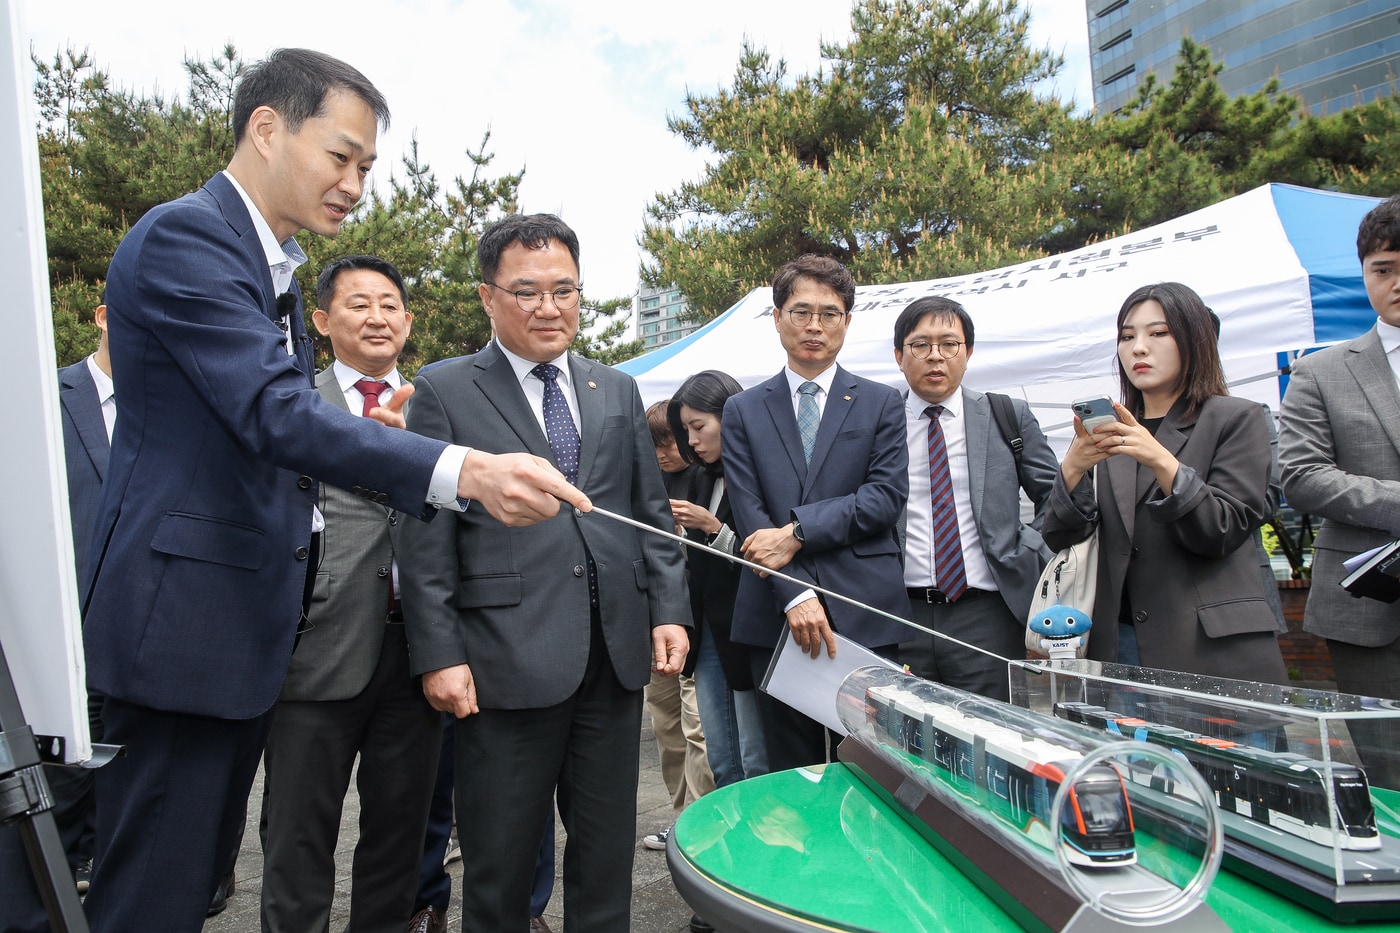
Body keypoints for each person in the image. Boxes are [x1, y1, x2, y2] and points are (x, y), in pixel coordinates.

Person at [80, 50, 583, 932]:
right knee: (155, 891)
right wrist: (459, 467)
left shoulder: (267, 259)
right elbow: (274, 413)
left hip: (237, 634)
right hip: (184, 631)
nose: (355, 184)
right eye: (341, 157)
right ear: (267, 127)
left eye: (368, 168)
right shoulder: (188, 237)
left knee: (191, 882)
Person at [396, 213, 689, 932]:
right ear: (488, 297)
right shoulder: (445, 388)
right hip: (503, 662)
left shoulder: (614, 389)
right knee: (498, 863)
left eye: (565, 290)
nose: (549, 307)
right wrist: (439, 653)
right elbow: (424, 531)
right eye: (527, 292)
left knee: (607, 857)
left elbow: (648, 513)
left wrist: (669, 607)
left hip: (612, 659)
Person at [257, 256, 441, 932]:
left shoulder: (438, 410)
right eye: (359, 303)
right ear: (321, 318)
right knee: (298, 836)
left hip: (418, 650)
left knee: (399, 836)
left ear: (408, 320)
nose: (376, 316)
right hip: (317, 648)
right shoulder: (293, 405)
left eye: (390, 304)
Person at [1042, 282, 1288, 683]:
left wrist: (1160, 459)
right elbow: (1060, 538)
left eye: (1158, 333)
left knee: (1220, 747)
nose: (1138, 348)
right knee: (1127, 749)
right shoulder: (1110, 430)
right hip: (1117, 642)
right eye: (1127, 336)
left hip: (1211, 647)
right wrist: (1071, 470)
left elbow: (1222, 530)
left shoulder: (1236, 418)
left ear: (1194, 339)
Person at [721, 255, 909, 772]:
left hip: (866, 609)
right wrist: (797, 593)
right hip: (775, 610)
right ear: (778, 316)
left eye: (829, 313)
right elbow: (748, 509)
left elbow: (885, 497)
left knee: (874, 769)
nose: (814, 326)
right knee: (792, 778)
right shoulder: (743, 409)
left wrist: (800, 531)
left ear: (847, 321)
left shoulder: (881, 402)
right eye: (801, 311)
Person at [1280, 193, 1400, 786]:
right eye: (1384, 269)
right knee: (1389, 778)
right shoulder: (1322, 370)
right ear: (1365, 275)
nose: (1397, 282)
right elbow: (1300, 475)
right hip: (1368, 606)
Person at [0, 304, 111, 930]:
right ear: (103, 314)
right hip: (56, 659)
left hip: (143, 657)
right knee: (43, 822)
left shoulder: (189, 408)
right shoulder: (41, 398)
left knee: (125, 832)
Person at [891, 297, 1059, 702]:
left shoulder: (1006, 415)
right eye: (920, 345)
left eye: (949, 344)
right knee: (901, 747)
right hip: (900, 615)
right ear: (899, 356)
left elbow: (1055, 498)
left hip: (988, 614)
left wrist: (1027, 547)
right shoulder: (879, 423)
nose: (936, 356)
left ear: (967, 352)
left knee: (990, 743)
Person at [667, 372, 768, 787]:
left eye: (698, 427)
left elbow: (768, 558)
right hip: (707, 627)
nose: (691, 440)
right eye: (685, 429)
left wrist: (713, 528)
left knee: (756, 759)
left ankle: (763, 848)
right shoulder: (699, 476)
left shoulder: (761, 472)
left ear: (731, 416)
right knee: (721, 759)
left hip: (749, 630)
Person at [641, 400, 714, 851]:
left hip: (700, 623)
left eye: (670, 440)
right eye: (656, 445)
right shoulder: (646, 483)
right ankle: (679, 814)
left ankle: (698, 821)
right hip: (654, 624)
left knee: (698, 726)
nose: (665, 452)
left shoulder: (707, 478)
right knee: (666, 724)